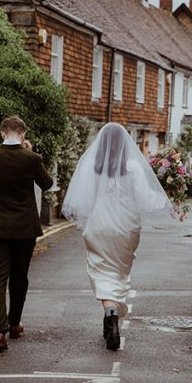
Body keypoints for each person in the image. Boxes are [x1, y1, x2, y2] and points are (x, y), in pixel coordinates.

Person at [61, 123, 173, 350]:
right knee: (120, 272)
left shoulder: (92, 165)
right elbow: (145, 198)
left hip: (99, 225)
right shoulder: (133, 166)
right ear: (125, 144)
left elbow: (82, 201)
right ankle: (114, 311)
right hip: (125, 226)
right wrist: (165, 195)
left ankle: (110, 311)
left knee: (101, 269)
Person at [0, 116, 53, 352]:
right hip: (25, 228)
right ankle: (15, 323)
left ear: (2, 133)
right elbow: (47, 183)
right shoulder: (32, 159)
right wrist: (33, 155)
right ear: (23, 135)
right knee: (20, 276)